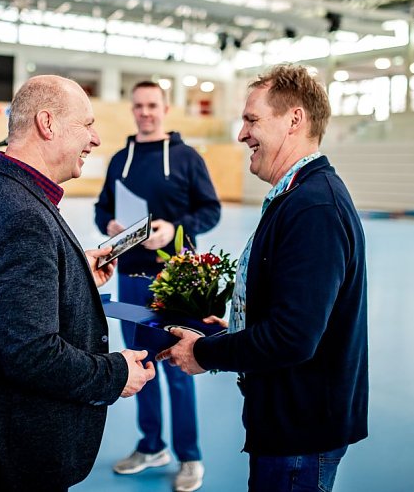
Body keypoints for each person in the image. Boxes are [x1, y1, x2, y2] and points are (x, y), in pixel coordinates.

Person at [158, 64, 369, 492]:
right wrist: (235, 329)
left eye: (252, 120)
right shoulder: (296, 197)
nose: (241, 134)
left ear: (295, 119)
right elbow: (292, 308)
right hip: (289, 421)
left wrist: (204, 354)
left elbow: (293, 336)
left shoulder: (313, 208)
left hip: (300, 432)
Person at [0, 75, 155, 492]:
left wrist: (75, 275)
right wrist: (115, 373)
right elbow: (30, 353)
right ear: (47, 123)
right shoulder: (22, 215)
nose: (95, 139)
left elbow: (5, 306)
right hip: (20, 450)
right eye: (86, 125)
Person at [94, 80, 221, 492]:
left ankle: (190, 456)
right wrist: (109, 226)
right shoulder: (119, 159)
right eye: (139, 106)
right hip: (130, 280)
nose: (145, 112)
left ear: (165, 108)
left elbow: (210, 209)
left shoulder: (186, 158)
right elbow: (102, 208)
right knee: (138, 364)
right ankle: (151, 446)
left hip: (175, 283)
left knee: (180, 367)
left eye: (152, 105)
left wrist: (175, 230)